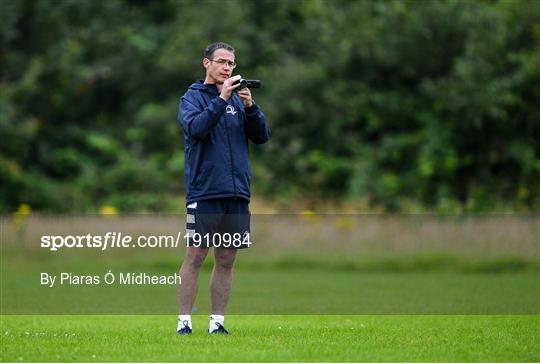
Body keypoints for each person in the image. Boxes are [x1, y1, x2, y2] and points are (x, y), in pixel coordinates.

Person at [176, 42, 270, 335]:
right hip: (205, 192)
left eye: (231, 63)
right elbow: (196, 128)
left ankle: (217, 324)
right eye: (221, 62)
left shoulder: (239, 101)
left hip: (237, 192)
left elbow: (262, 137)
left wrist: (250, 107)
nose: (227, 68)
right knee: (195, 255)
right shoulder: (191, 98)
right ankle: (184, 323)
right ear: (207, 63)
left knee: (227, 258)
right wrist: (221, 99)